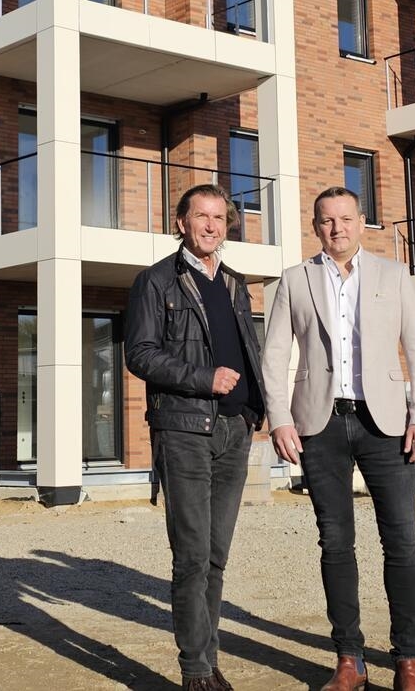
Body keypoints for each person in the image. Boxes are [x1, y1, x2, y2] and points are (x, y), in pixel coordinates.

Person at [261, 186, 415, 691]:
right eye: (325, 220)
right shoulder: (294, 280)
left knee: (401, 541)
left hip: (386, 424)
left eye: (344, 218)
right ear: (315, 227)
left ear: (361, 222)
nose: (335, 228)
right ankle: (349, 660)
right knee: (336, 542)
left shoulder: (393, 275)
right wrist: (279, 418)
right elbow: (274, 357)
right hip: (318, 424)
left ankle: (408, 661)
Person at [125, 182, 265, 691]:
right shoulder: (157, 281)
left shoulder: (235, 281)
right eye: (201, 216)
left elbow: (248, 345)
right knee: (190, 555)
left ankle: (209, 657)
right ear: (181, 222)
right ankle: (195, 669)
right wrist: (203, 378)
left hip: (234, 430)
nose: (211, 225)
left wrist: (255, 408)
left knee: (215, 555)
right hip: (185, 430)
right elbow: (139, 354)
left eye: (220, 218)